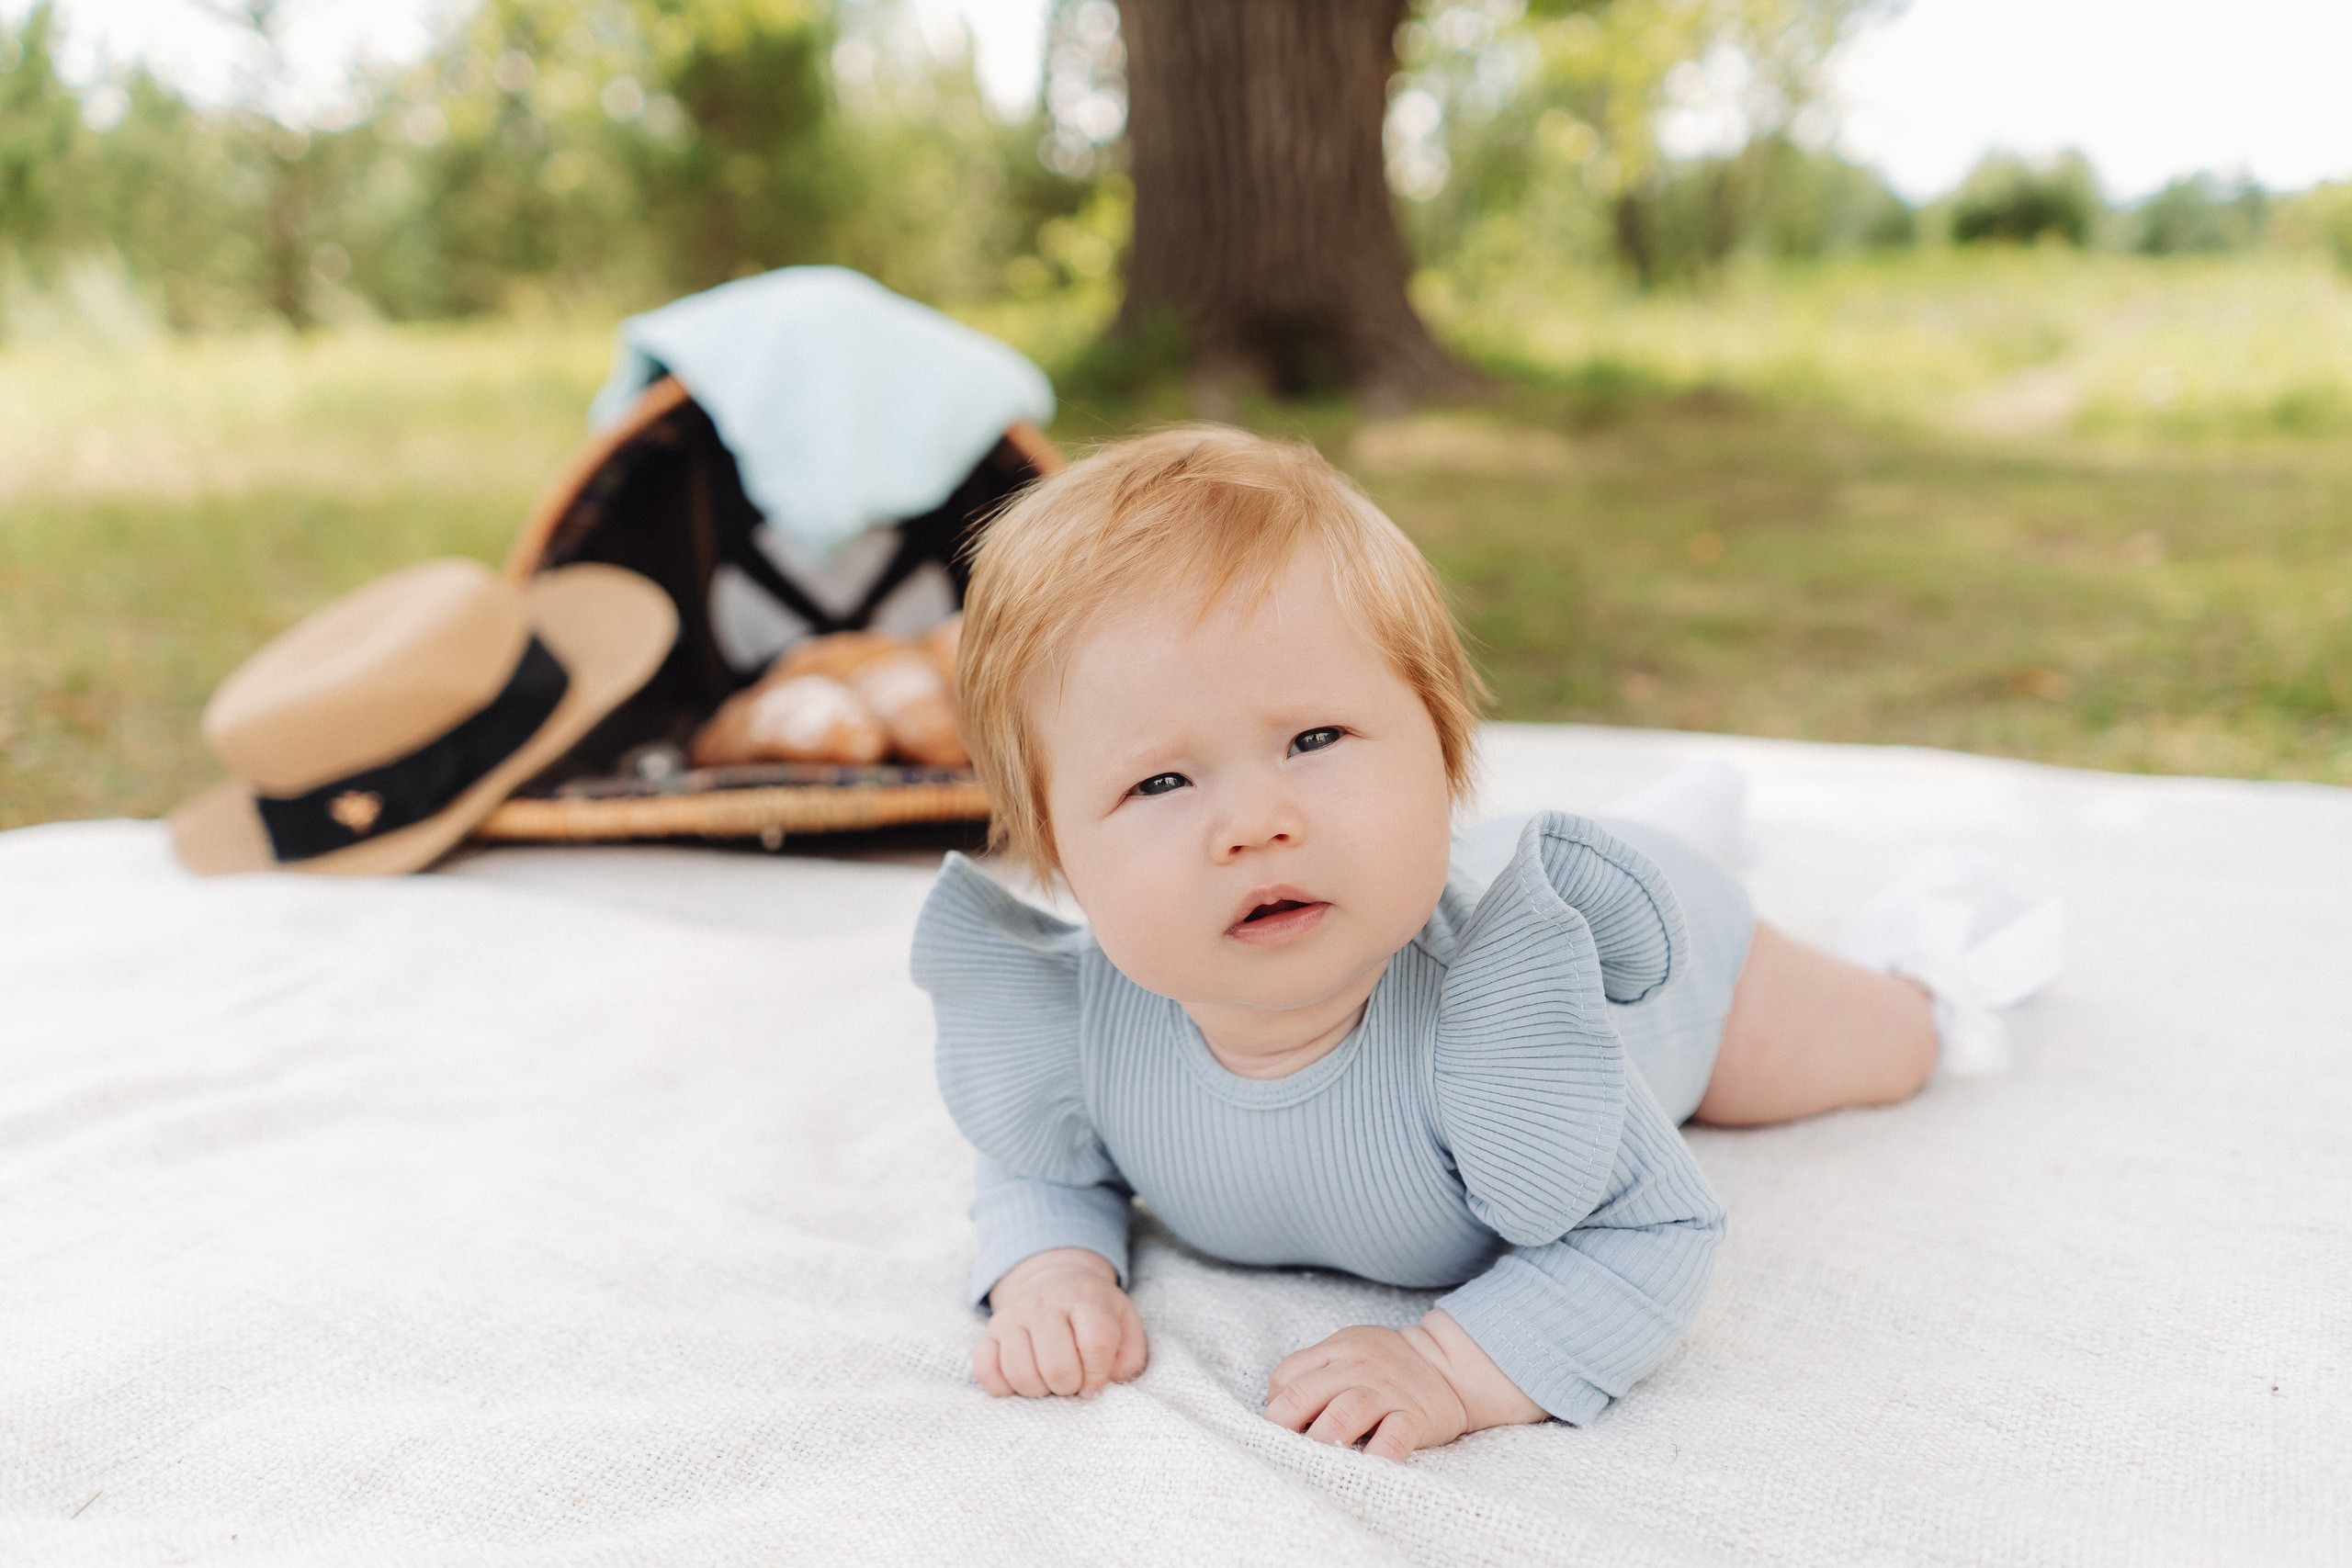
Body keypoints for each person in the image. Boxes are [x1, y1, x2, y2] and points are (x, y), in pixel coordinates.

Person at [910, 426, 2058, 1461]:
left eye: (1314, 737)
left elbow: (1658, 1225)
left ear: (1444, 754)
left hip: (1691, 973)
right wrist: (1051, 1265)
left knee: (1894, 1047)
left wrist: (1451, 1366)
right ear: (1057, 853)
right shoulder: (1087, 1028)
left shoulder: (1487, 1027)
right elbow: (1034, 1156)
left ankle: (1866, 937)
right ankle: (1656, 816)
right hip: (1483, 868)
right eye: (1159, 779)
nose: (1257, 822)